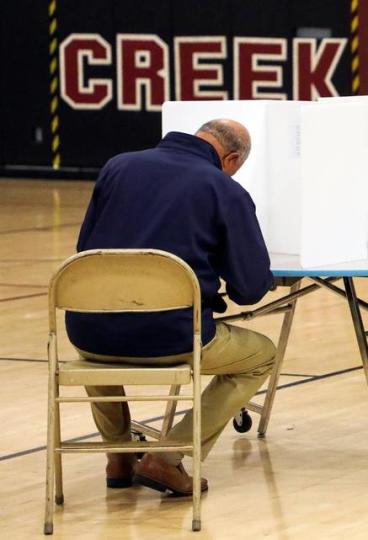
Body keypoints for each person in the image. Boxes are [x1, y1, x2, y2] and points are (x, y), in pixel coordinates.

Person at [66, 119, 276, 496]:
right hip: (172, 338)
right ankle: (169, 456)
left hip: (89, 329)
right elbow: (249, 289)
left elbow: (87, 251)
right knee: (262, 356)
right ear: (229, 159)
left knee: (98, 338)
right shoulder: (224, 189)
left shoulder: (117, 166)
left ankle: (119, 454)